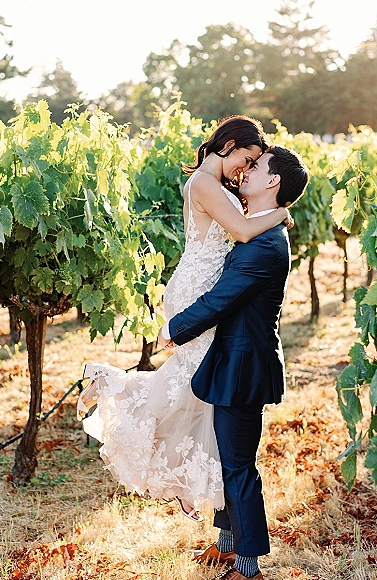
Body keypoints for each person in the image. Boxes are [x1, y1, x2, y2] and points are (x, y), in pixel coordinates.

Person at [77, 116, 292, 520]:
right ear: (227, 143)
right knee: (195, 385)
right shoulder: (207, 184)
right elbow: (244, 232)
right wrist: (280, 214)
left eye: (252, 164)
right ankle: (117, 389)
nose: (244, 169)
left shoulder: (216, 183)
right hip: (196, 289)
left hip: (199, 283)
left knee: (196, 388)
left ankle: (205, 497)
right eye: (245, 158)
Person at [160, 145, 309, 580]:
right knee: (227, 458)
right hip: (233, 360)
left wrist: (175, 328)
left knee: (239, 466)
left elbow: (221, 299)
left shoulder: (265, 244)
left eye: (257, 166)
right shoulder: (260, 235)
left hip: (244, 367)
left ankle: (248, 569)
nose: (245, 171)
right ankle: (227, 544)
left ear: (273, 182)